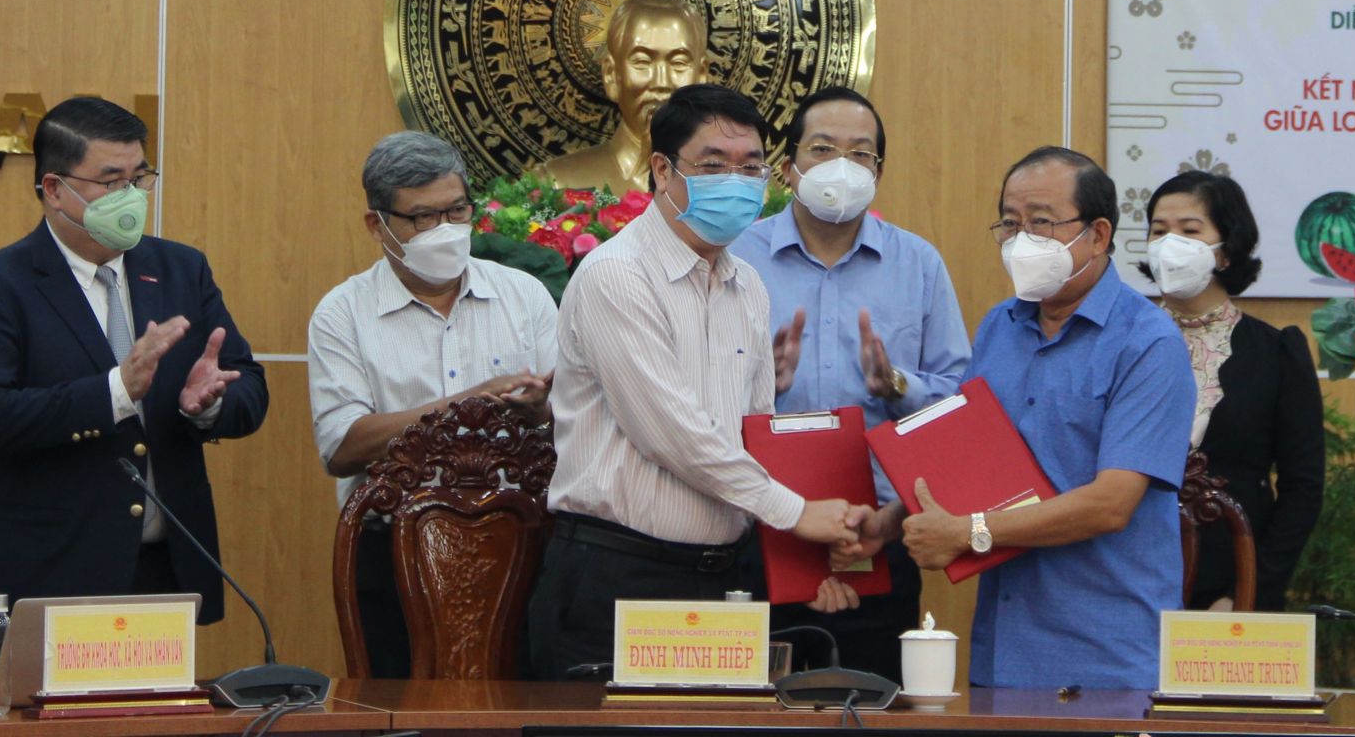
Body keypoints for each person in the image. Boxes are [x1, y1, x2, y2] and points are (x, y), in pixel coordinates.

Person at [524, 83, 862, 680]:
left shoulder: (748, 287)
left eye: (751, 166)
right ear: (661, 169)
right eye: (713, 164)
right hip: (616, 577)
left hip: (722, 580)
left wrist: (803, 564)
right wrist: (796, 513)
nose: (736, 181)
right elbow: (674, 435)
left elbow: (756, 439)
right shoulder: (617, 277)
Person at [837, 146, 1194, 690]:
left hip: (1104, 651)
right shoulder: (1000, 326)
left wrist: (968, 532)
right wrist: (889, 522)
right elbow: (973, 462)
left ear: (1098, 236)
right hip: (1004, 645)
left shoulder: (1148, 343)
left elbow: (1110, 504)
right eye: (1009, 223)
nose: (1021, 239)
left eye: (1041, 223)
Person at [0, 97, 267, 624]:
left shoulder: (181, 268)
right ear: (54, 189)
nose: (130, 196)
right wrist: (116, 391)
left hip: (161, 574)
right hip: (47, 578)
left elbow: (248, 383)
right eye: (110, 181)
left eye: (139, 177)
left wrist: (209, 405)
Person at [729, 86, 968, 683]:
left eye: (861, 154)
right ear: (787, 168)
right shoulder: (734, 259)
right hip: (759, 534)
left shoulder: (919, 265)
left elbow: (958, 407)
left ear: (879, 172)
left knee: (872, 704)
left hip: (878, 536)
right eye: (823, 149)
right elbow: (692, 404)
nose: (842, 166)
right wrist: (763, 386)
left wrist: (898, 387)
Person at [308, 130, 558, 677]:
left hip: (517, 546)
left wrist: (541, 412)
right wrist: (463, 404)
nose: (444, 230)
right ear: (378, 226)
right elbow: (343, 446)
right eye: (422, 218)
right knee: (403, 707)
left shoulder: (525, 295)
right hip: (392, 550)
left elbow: (574, 423)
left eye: (456, 211)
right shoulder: (342, 314)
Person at [1141, 170, 1324, 613]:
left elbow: (1303, 487)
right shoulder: (1122, 342)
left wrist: (1248, 591)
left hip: (1232, 587)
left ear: (1226, 252)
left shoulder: (1276, 353)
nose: (1170, 244)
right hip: (1128, 580)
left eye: (1189, 231)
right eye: (1158, 231)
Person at [536, 0, 709, 194]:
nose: (662, 82)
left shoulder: (731, 188)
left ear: (702, 75)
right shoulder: (556, 185)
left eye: (679, 63)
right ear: (611, 74)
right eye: (642, 62)